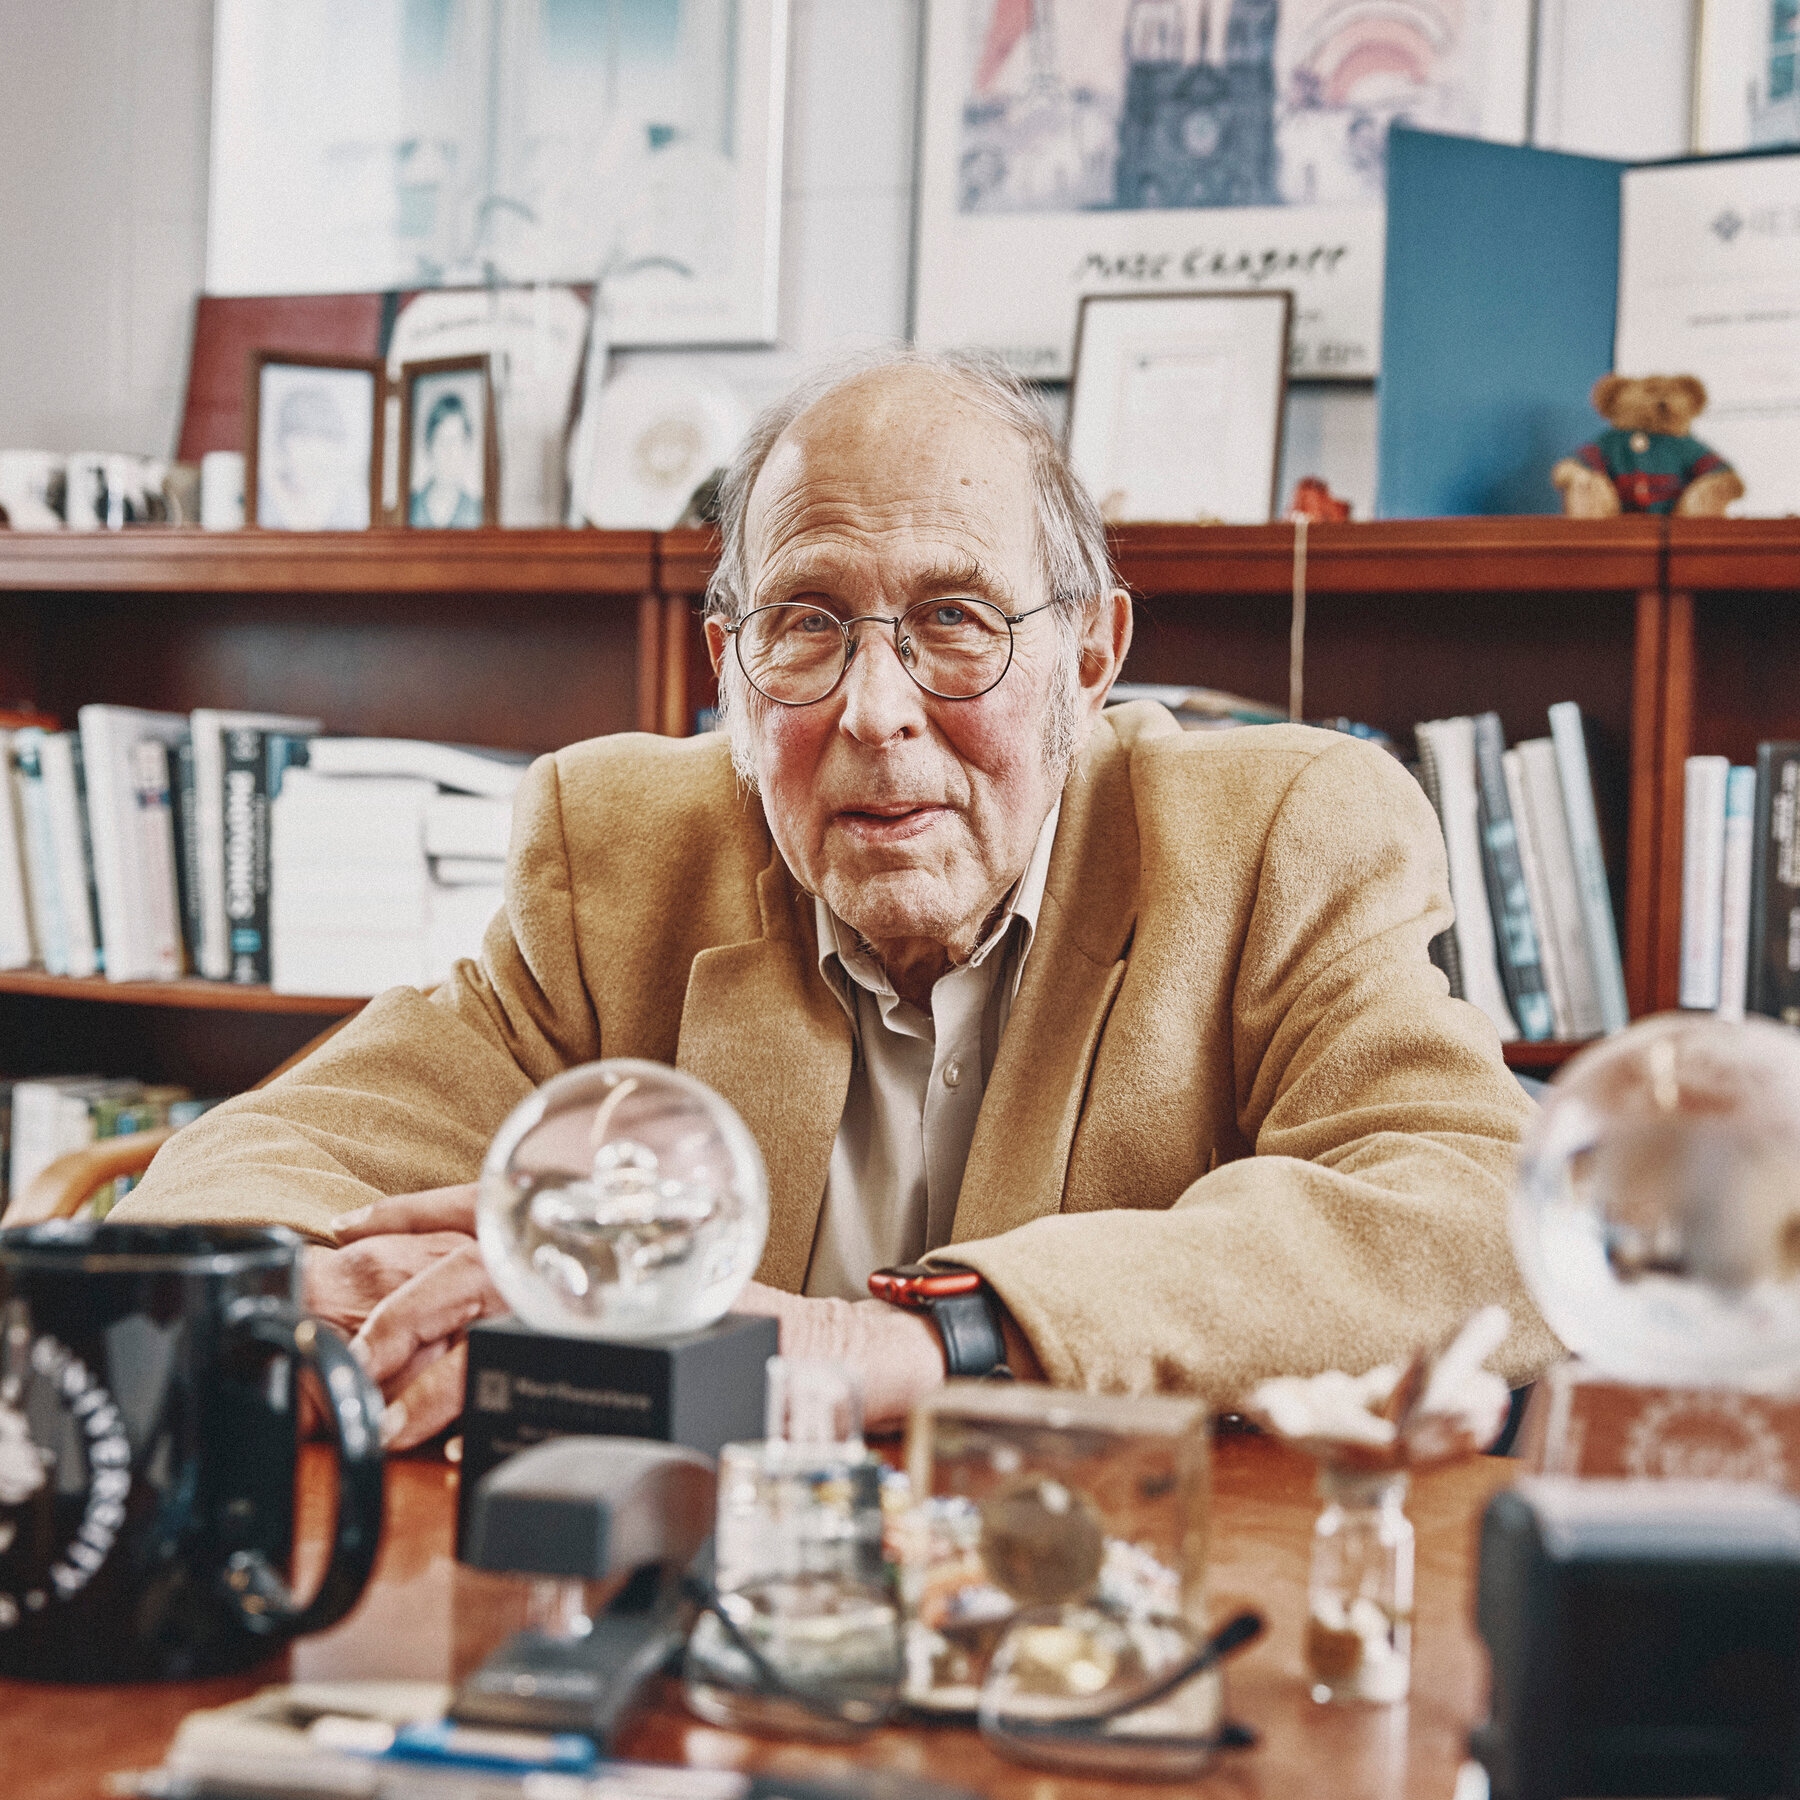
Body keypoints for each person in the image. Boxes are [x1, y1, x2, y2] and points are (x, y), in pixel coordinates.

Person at [116, 350, 1558, 1447]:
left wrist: (924, 1340)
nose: (876, 710)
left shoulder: (1281, 836)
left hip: (1098, 1619)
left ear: (1091, 656)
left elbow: (1489, 1223)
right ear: (732, 670)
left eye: (955, 620)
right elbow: (235, 1183)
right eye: (808, 624)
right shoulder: (622, 853)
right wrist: (419, 1302)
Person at [409, 389, 483, 528]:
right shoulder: (409, 507)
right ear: (429, 445)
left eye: (456, 441)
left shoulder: (478, 512)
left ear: (466, 447)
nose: (449, 452)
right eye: (442, 441)